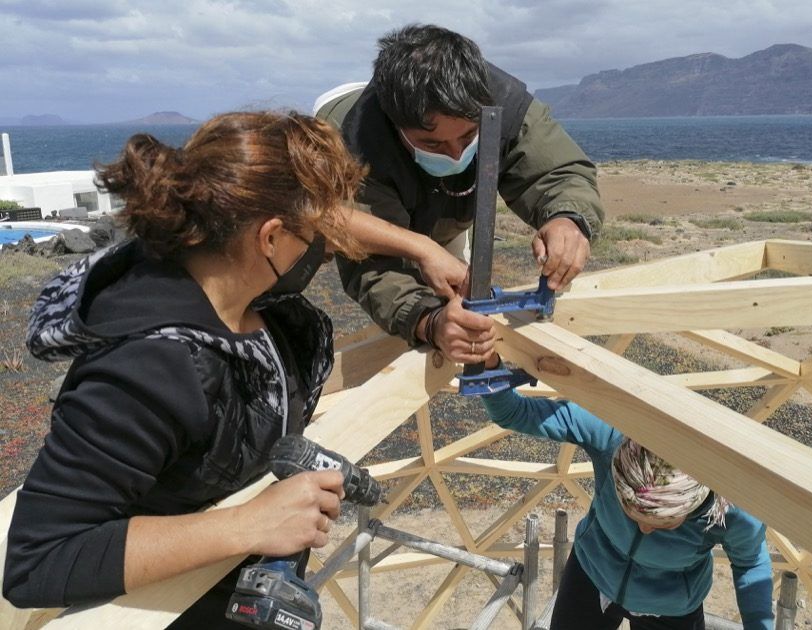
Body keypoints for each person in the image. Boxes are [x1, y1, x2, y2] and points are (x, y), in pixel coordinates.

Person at [2, 111, 468, 622]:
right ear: (269, 238)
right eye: (316, 235)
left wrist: (421, 249)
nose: (327, 248)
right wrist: (248, 525)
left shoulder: (246, 298)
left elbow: (322, 218)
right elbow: (38, 559)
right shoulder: (148, 368)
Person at [316, 24, 604, 364]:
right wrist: (429, 322)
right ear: (397, 127)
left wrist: (568, 218)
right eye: (433, 144)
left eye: (468, 137)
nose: (455, 155)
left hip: (446, 213)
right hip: (358, 178)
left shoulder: (507, 105)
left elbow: (557, 171)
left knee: (457, 293)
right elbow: (368, 262)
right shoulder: (352, 150)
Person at [480, 362, 774, 630]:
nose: (644, 529)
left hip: (670, 605)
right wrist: (486, 363)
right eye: (629, 512)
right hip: (594, 572)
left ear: (696, 504)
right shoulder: (611, 435)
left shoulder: (735, 509)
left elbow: (750, 564)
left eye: (662, 524)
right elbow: (512, 412)